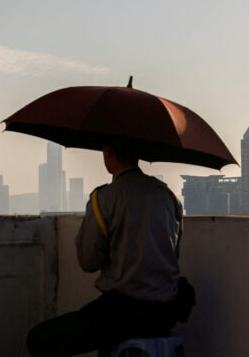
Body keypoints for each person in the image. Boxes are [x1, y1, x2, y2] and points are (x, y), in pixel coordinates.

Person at [27, 144, 194, 357]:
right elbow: (174, 252)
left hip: (121, 315)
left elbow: (88, 262)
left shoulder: (104, 198)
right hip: (165, 312)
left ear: (108, 152)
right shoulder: (169, 197)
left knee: (38, 339)